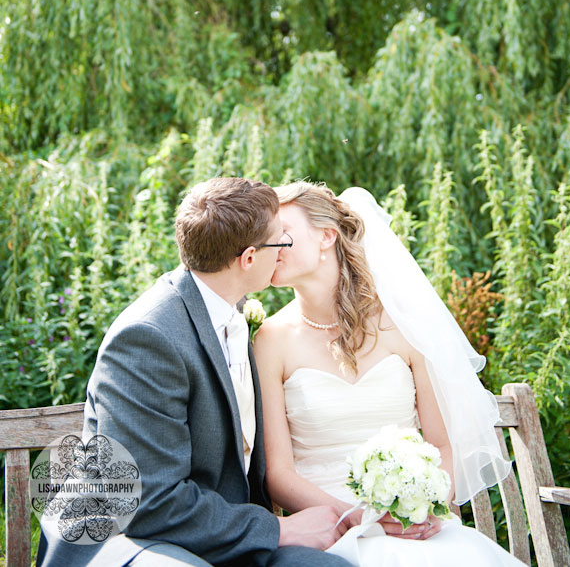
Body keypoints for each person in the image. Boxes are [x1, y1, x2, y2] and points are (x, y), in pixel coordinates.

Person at [38, 177, 354, 567]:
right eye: (280, 242)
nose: (284, 252)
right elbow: (149, 502)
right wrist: (279, 530)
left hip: (212, 532)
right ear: (249, 259)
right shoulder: (147, 339)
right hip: (130, 540)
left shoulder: (230, 309)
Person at [254, 182, 525, 566]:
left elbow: (442, 446)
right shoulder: (269, 340)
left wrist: (426, 505)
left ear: (326, 236)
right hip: (329, 534)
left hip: (415, 529)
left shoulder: (404, 327)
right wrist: (360, 518)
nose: (270, 247)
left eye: (281, 233)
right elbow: (278, 474)